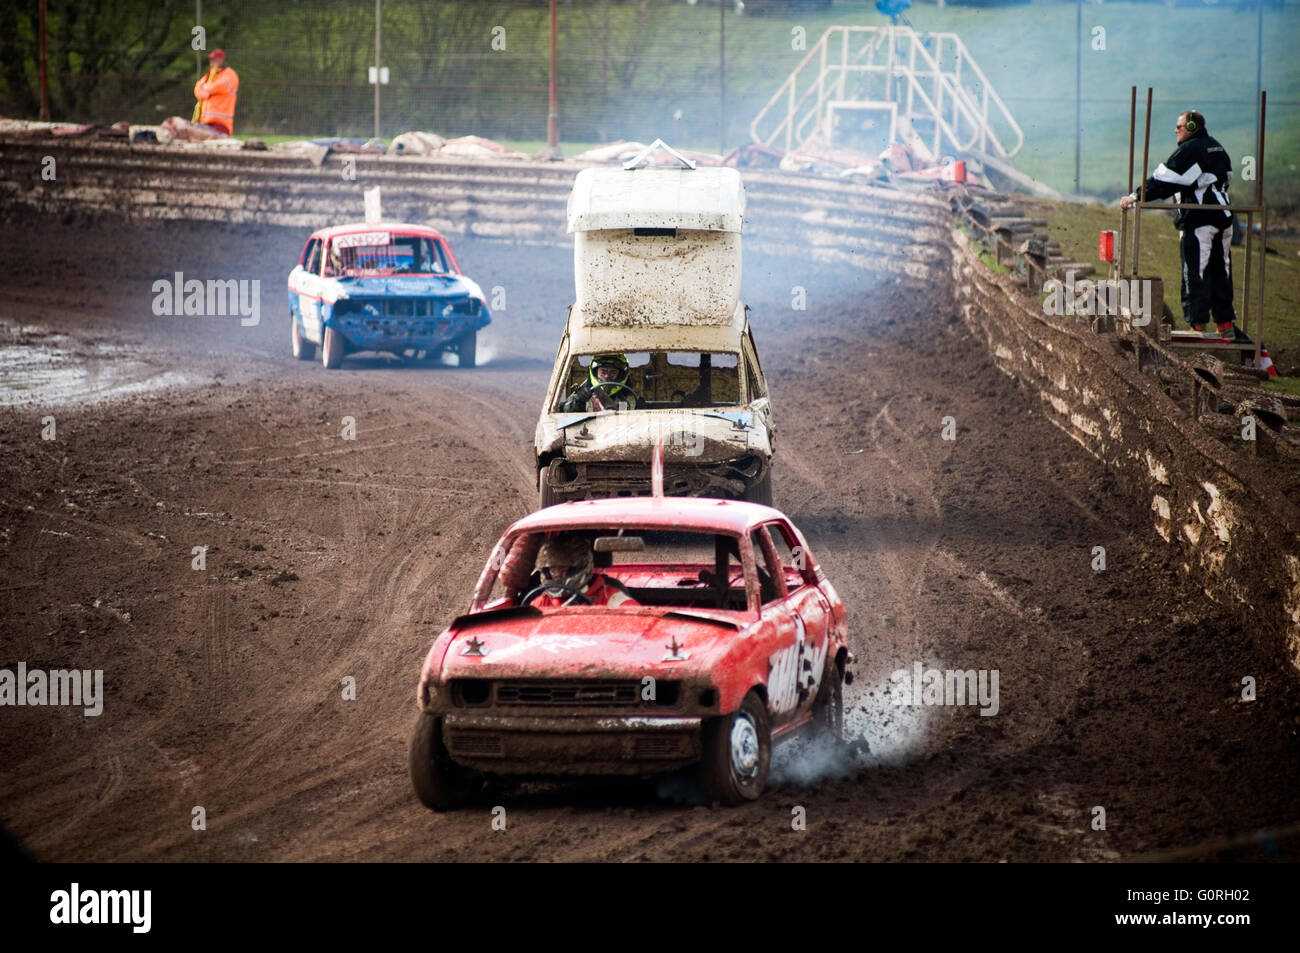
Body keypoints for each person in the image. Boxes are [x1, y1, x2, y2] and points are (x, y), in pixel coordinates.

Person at [1119, 110, 1239, 337]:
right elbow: (1228, 177)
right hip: (1223, 218)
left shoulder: (1190, 149)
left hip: (1199, 219)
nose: (1176, 130)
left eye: (1180, 126)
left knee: (1194, 273)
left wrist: (1135, 196)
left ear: (1192, 128)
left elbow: (1164, 180)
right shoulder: (1218, 147)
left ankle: (1198, 326)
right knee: (1221, 271)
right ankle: (1225, 324)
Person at [530, 535, 638, 608]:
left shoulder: (611, 599)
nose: (557, 574)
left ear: (579, 568)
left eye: (563, 568)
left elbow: (639, 625)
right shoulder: (542, 602)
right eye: (552, 569)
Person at [560, 353, 639, 412]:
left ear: (620, 375)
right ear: (595, 372)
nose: (607, 376)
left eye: (613, 372)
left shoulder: (631, 399)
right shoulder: (582, 396)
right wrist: (579, 401)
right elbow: (564, 414)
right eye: (603, 371)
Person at [193, 49, 239, 136]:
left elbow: (218, 86)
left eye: (214, 59)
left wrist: (206, 91)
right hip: (204, 121)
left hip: (221, 124)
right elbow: (197, 89)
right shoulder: (210, 74)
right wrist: (206, 92)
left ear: (221, 59)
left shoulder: (230, 74)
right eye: (211, 59)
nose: (212, 61)